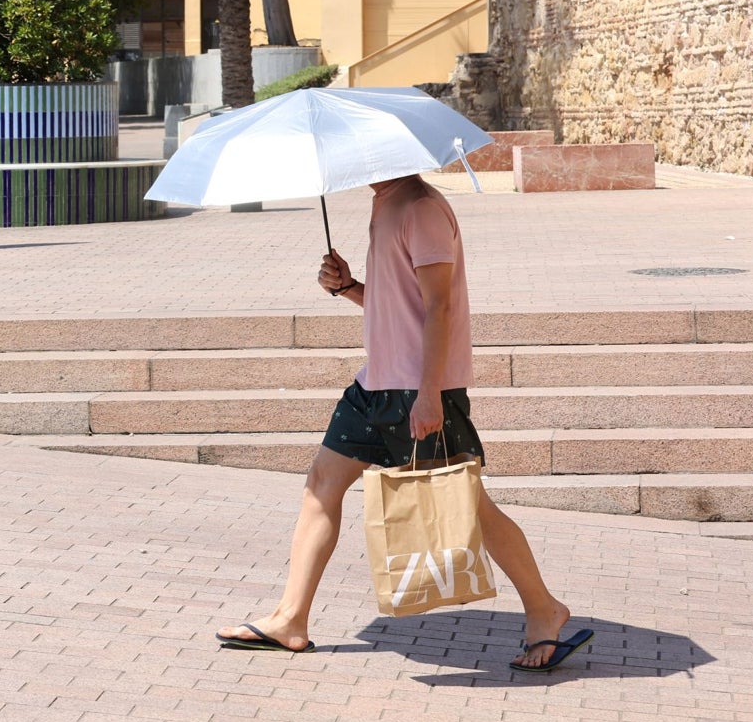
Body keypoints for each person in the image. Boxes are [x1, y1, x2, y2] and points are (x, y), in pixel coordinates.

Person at [215, 172, 591, 672]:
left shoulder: (421, 209)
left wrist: (431, 394)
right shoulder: (388, 204)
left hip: (420, 389)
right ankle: (291, 619)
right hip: (375, 387)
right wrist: (349, 287)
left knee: (469, 507)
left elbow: (440, 306)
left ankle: (545, 610)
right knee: (322, 482)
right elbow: (398, 308)